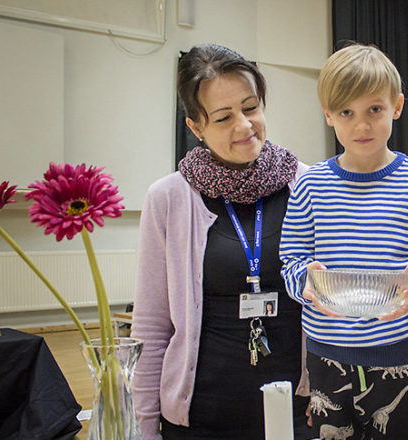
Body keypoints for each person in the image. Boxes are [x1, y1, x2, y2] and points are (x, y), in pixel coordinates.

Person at [131, 44, 316, 440]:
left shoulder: (309, 185)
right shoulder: (168, 198)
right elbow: (150, 326)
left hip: (298, 412)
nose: (244, 126)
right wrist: (142, 429)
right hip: (202, 417)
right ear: (196, 127)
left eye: (251, 107)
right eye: (223, 117)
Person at [279, 43, 408, 440]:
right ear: (328, 115)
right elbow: (291, 257)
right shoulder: (311, 184)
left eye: (374, 109)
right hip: (326, 358)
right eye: (346, 113)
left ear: (397, 106)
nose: (361, 126)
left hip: (400, 355)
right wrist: (305, 281)